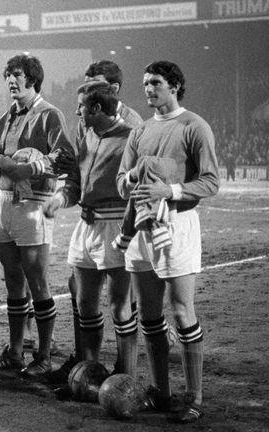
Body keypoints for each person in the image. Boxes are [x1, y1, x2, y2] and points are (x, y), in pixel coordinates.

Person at [116, 61, 219, 423]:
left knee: (181, 310)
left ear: (174, 85)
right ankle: (162, 392)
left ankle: (194, 397)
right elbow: (121, 181)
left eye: (155, 82)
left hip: (176, 225)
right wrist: (129, 178)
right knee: (149, 315)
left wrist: (170, 189)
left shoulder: (194, 126)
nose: (148, 89)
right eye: (144, 83)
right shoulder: (140, 131)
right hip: (142, 225)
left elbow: (210, 182)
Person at [52, 59, 145, 383]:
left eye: (81, 107)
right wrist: (60, 197)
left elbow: (142, 187)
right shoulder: (85, 130)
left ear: (97, 105)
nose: (76, 114)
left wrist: (133, 231)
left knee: (120, 306)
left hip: (117, 224)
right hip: (87, 224)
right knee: (84, 301)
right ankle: (88, 373)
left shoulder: (135, 132)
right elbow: (76, 179)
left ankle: (126, 377)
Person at [0, 54, 74, 378]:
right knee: (13, 283)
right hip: (5, 205)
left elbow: (64, 157)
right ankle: (16, 351)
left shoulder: (49, 114)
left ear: (32, 78)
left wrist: (23, 168)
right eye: (8, 75)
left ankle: (44, 356)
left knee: (38, 283)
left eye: (16, 75)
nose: (10, 80)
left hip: (33, 205)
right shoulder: (7, 117)